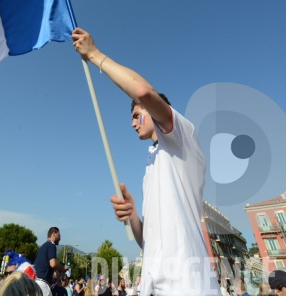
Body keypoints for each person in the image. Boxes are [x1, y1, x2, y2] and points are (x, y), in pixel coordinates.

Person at [72, 28, 219, 295]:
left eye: (137, 114)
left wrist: (94, 55)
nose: (132, 123)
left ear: (155, 113)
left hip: (188, 286)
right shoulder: (152, 164)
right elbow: (147, 244)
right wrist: (133, 216)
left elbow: (143, 91)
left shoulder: (181, 138)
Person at [33, 228, 68, 296]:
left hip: (35, 283)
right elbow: (53, 264)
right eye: (59, 235)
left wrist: (52, 279)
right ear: (53, 234)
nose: (60, 238)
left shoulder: (43, 247)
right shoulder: (51, 245)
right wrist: (63, 267)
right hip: (42, 285)